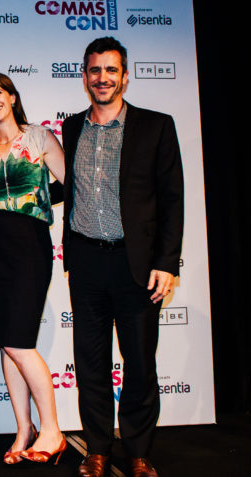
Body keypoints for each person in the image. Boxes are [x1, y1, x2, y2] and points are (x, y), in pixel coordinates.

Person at [63, 37, 183, 477]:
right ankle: (97, 449)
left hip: (138, 266)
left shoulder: (156, 126)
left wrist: (167, 262)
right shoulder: (71, 128)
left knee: (140, 362)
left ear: (125, 76)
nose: (103, 78)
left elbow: (172, 199)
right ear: (84, 77)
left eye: (111, 70)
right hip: (86, 263)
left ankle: (137, 451)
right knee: (90, 362)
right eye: (95, 70)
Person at [0, 72, 67, 466]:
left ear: (12, 96)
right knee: (5, 340)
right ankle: (24, 429)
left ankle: (53, 430)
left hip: (28, 246)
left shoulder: (39, 137)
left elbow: (71, 182)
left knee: (19, 342)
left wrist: (37, 197)